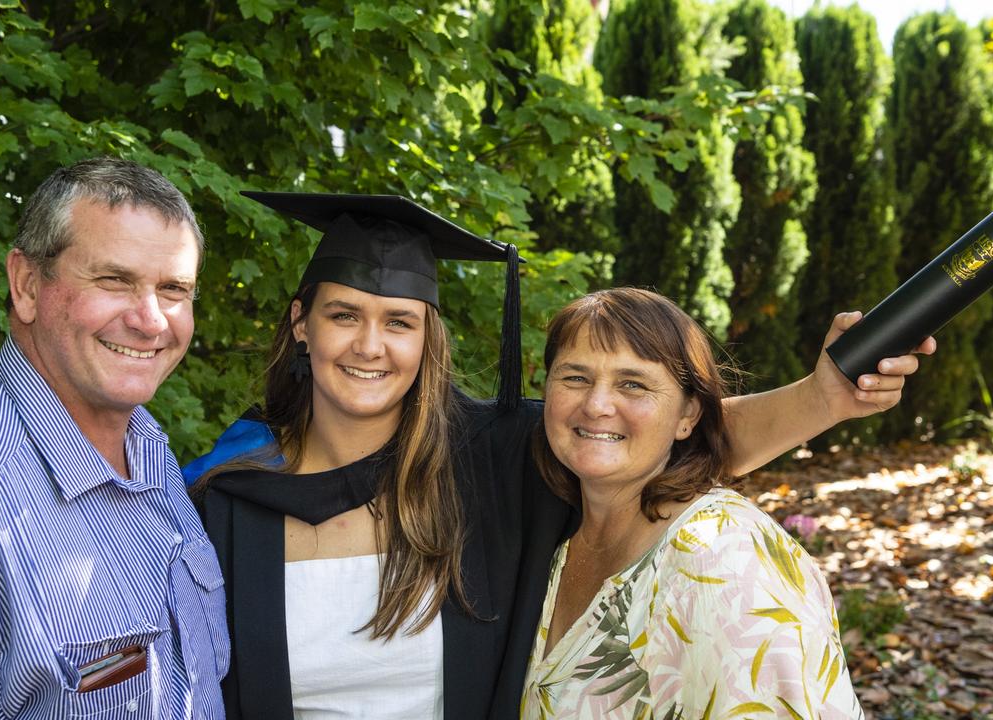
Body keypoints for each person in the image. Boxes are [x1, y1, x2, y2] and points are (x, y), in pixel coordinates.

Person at [188, 191, 931, 720]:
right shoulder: (228, 497)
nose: (370, 345)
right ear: (301, 325)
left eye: (400, 322)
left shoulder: (486, 464)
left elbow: (652, 441)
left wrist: (823, 397)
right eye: (343, 315)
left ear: (428, 338)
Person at [0, 158, 229, 719]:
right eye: (114, 279)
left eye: (174, 289)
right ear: (27, 285)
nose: (152, 320)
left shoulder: (147, 447)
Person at [521, 287, 862, 719]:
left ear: (688, 416)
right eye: (575, 377)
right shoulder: (552, 536)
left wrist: (821, 397)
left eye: (633, 384)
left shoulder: (722, 556)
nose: (596, 404)